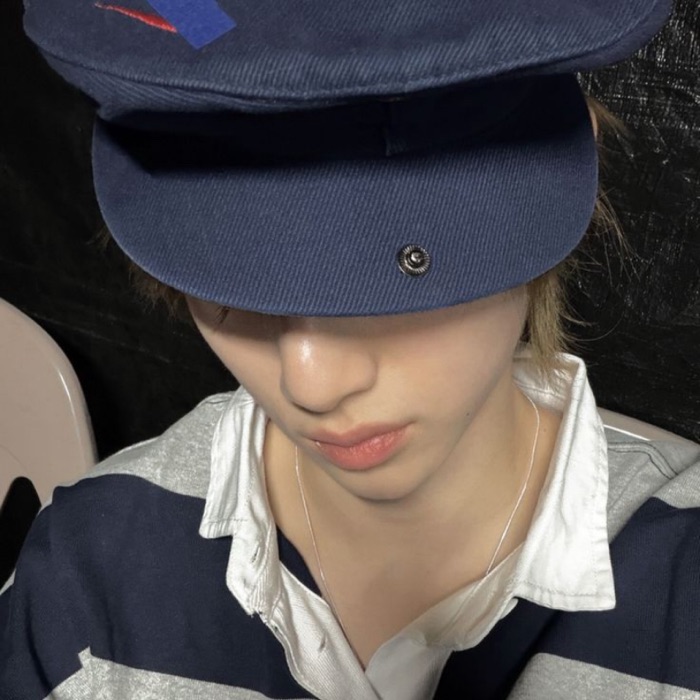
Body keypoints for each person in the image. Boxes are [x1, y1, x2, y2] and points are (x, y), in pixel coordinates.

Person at [3, 1, 699, 698]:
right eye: (228, 285)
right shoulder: (88, 575)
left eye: (400, 270)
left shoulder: (680, 585)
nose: (311, 382)